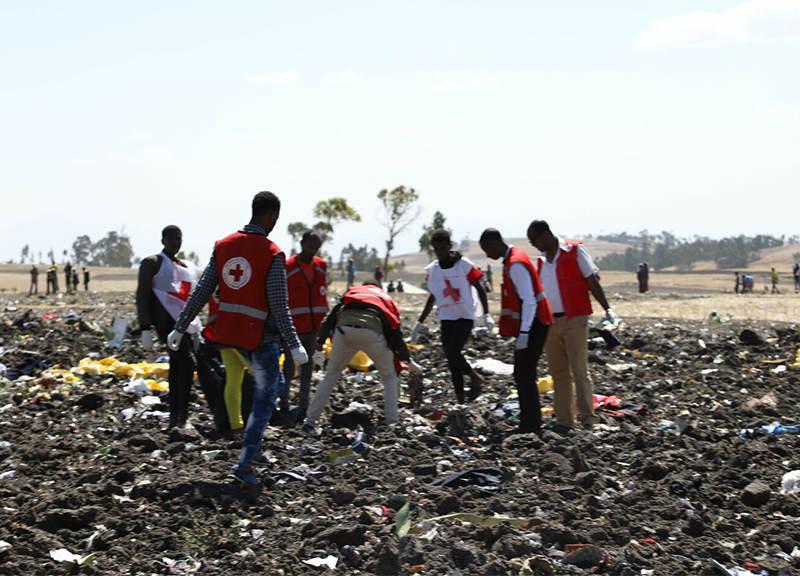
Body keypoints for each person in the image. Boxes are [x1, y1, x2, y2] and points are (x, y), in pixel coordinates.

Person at [170, 191, 306, 485]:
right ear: (272, 216)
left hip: (228, 335)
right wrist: (295, 344)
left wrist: (180, 326)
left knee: (270, 385)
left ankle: (251, 450)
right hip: (261, 338)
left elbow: (202, 291)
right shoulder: (272, 253)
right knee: (265, 398)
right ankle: (244, 465)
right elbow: (279, 306)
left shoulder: (223, 246)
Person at [528, 220, 617, 432]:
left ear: (546, 234)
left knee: (579, 370)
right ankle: (565, 421)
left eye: (535, 240)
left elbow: (592, 281)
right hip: (551, 322)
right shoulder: (541, 261)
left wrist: (607, 309)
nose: (534, 245)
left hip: (575, 318)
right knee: (559, 373)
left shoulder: (574, 251)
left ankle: (588, 419)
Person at [303, 281, 420, 432]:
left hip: (343, 330)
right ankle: (392, 422)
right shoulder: (383, 298)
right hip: (371, 332)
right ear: (378, 288)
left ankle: (310, 421)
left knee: (331, 375)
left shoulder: (352, 294)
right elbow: (394, 330)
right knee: (389, 376)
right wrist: (406, 358)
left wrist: (319, 349)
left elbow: (329, 320)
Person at [480, 228, 553, 433]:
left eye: (486, 249)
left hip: (535, 323)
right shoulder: (514, 258)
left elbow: (529, 301)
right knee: (523, 374)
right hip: (534, 323)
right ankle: (530, 422)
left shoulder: (515, 264)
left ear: (494, 243)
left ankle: (531, 425)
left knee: (524, 375)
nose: (487, 255)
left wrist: (524, 333)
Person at [412, 229, 493, 403]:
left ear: (450, 246)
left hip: (464, 315)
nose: (440, 252)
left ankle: (475, 377)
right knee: (451, 358)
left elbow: (479, 287)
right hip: (446, 316)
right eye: (436, 249)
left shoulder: (463, 265)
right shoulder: (433, 270)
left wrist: (486, 314)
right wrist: (419, 322)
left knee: (452, 351)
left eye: (443, 248)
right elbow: (433, 295)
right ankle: (460, 400)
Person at [137, 225, 203, 430]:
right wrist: (145, 327)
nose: (176, 242)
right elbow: (143, 295)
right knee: (186, 364)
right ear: (163, 240)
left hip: (184, 326)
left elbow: (189, 298)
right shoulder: (153, 263)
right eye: (172, 239)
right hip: (166, 325)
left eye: (179, 239)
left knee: (177, 369)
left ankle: (177, 416)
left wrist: (195, 328)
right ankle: (180, 416)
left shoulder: (186, 267)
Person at [280, 230, 328, 421]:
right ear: (302, 243)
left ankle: (303, 405)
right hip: (292, 327)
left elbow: (322, 295)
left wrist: (324, 325)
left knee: (307, 370)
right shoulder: (288, 266)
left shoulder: (321, 266)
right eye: (310, 247)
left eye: (316, 248)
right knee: (289, 368)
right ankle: (283, 404)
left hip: (313, 326)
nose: (313, 251)